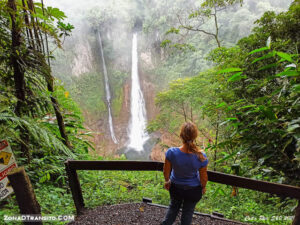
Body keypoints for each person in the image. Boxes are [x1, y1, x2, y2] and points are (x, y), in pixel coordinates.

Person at [161, 122, 209, 225]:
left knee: (173, 208)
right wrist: (203, 187)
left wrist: (167, 181)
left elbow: (166, 171)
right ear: (195, 136)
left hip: (175, 187)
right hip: (193, 190)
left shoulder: (171, 153)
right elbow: (203, 177)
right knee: (188, 212)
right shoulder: (201, 156)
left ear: (181, 135)